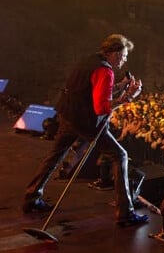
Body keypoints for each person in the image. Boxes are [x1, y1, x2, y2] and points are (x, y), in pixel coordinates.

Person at [22, 34, 148, 227]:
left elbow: (93, 91)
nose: (124, 60)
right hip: (86, 122)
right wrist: (128, 97)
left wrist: (120, 86)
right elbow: (101, 108)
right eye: (123, 56)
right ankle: (125, 212)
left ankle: (31, 197)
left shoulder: (89, 61)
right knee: (120, 156)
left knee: (54, 157)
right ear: (114, 53)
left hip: (68, 115)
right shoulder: (106, 71)